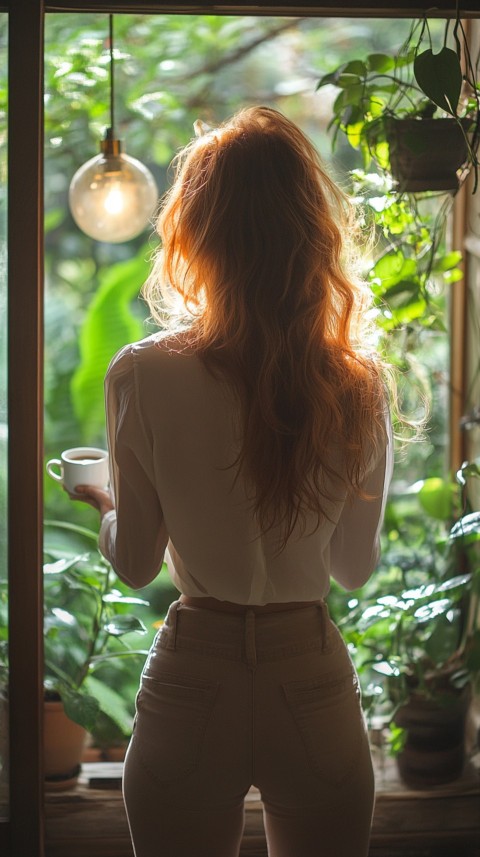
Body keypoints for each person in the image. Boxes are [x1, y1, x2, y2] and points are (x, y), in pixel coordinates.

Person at [73, 106, 393, 857]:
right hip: (310, 679)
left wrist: (104, 500)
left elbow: (135, 562)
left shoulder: (143, 372)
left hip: (196, 677)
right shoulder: (356, 381)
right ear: (311, 230)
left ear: (195, 232)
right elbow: (352, 568)